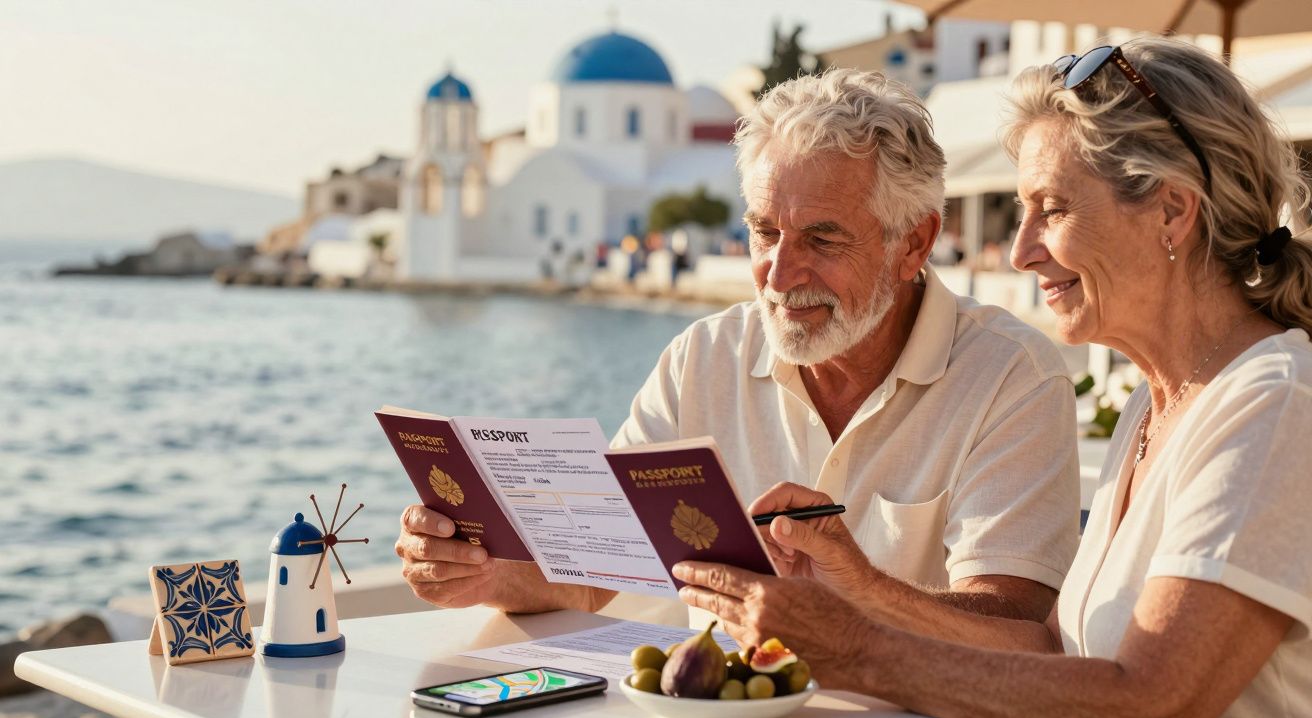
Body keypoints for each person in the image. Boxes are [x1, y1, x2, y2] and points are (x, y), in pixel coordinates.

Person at [675, 38, 1312, 718]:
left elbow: (1147, 705)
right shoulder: (1156, 405)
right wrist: (860, 586)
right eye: (1023, 211)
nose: (1020, 250)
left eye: (1053, 209)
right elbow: (1053, 652)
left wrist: (851, 647)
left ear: (1172, 211)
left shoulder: (1275, 404)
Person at [395, 69, 1081, 624]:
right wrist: (479, 570)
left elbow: (1014, 628)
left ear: (915, 244)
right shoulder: (703, 359)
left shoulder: (1012, 378)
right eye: (764, 233)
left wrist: (860, 591)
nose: (780, 277)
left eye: (822, 238)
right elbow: (600, 569)